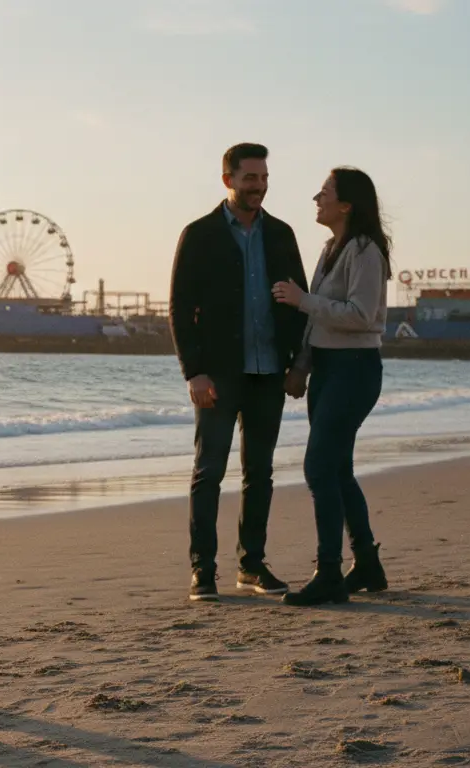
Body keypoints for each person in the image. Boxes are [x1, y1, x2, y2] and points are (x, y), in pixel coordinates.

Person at [168, 142, 310, 602]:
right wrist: (194, 373)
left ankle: (251, 566)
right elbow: (178, 308)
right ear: (228, 180)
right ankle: (202, 571)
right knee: (209, 471)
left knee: (260, 473)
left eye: (264, 178)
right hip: (218, 375)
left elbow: (300, 300)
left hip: (270, 372)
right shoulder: (200, 234)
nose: (259, 187)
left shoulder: (282, 234)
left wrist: (297, 366)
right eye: (250, 178)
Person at [271, 167, 392, 607]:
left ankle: (328, 573)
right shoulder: (330, 249)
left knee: (319, 467)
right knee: (337, 469)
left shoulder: (366, 251)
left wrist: (303, 299)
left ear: (346, 205)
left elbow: (361, 315)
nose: (315, 199)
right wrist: (302, 366)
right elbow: (318, 319)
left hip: (356, 369)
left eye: (324, 193)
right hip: (327, 368)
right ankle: (367, 564)